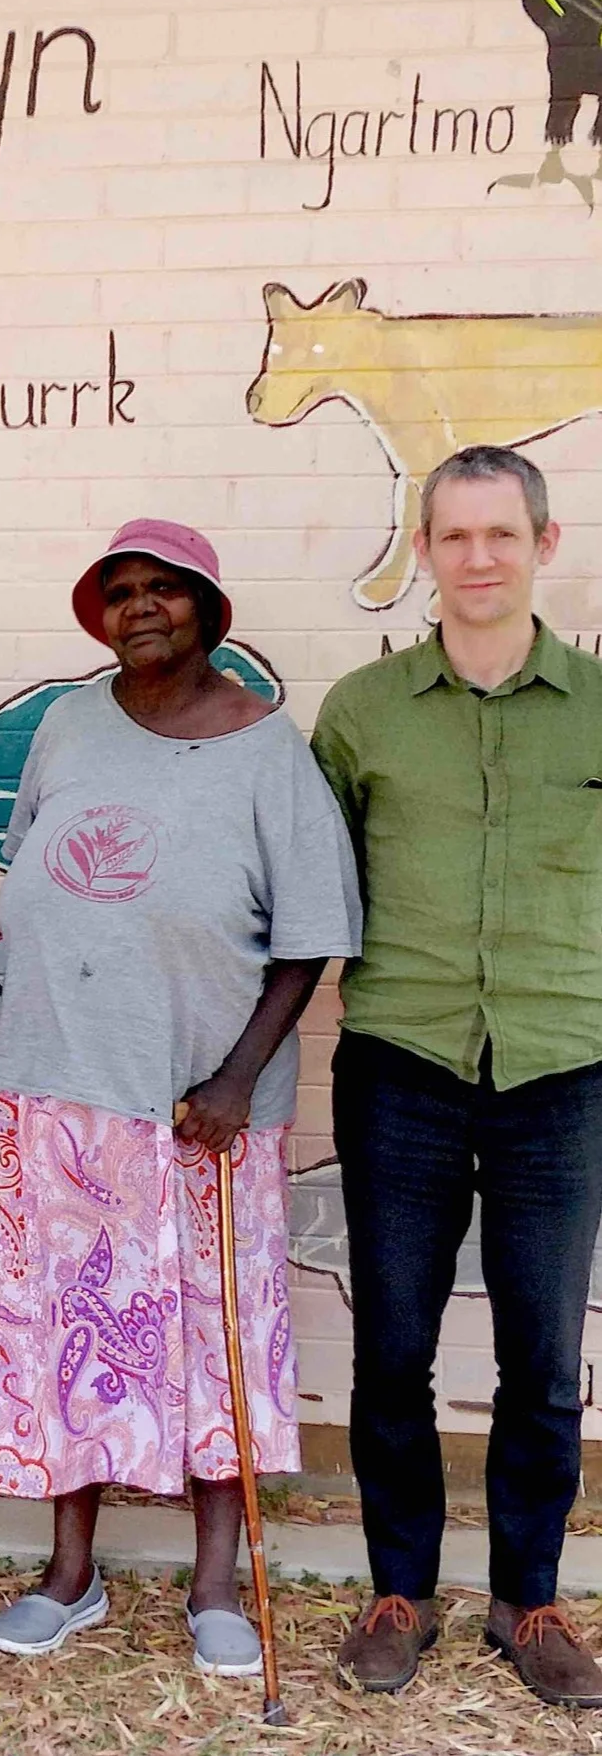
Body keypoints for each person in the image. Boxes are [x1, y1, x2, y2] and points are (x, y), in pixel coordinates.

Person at [0, 521, 360, 1680]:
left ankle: (210, 1584)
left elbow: (307, 938)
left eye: (163, 589)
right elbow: (31, 863)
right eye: (120, 590)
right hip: (60, 1091)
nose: (139, 606)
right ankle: (69, 1570)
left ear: (207, 608)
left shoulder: (265, 749)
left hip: (200, 1109)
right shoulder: (66, 722)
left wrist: (236, 1077)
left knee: (213, 1336)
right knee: (67, 1337)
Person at [312, 446, 602, 1708]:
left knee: (541, 1356)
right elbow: (309, 885)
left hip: (561, 1064)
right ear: (421, 552)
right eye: (452, 535)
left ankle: (528, 1599)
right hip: (401, 1064)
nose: (475, 556)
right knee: (391, 1347)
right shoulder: (359, 712)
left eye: (499, 533)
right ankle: (397, 1589)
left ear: (543, 545)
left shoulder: (595, 705)